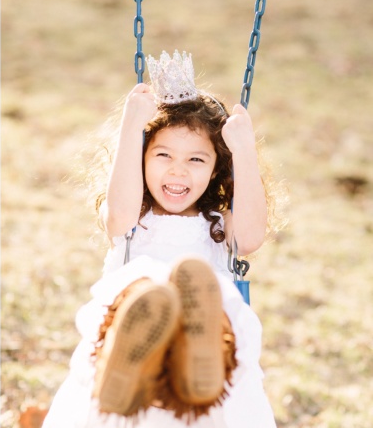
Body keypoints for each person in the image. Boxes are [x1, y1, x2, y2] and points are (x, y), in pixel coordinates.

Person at [42, 50, 278, 427]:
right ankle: (134, 357)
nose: (178, 170)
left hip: (202, 352)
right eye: (163, 154)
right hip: (134, 321)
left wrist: (244, 149)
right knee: (145, 289)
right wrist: (131, 126)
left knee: (209, 295)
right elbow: (116, 214)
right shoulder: (133, 218)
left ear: (219, 168)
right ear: (141, 157)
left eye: (196, 160)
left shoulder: (220, 223)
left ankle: (196, 352)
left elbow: (250, 237)